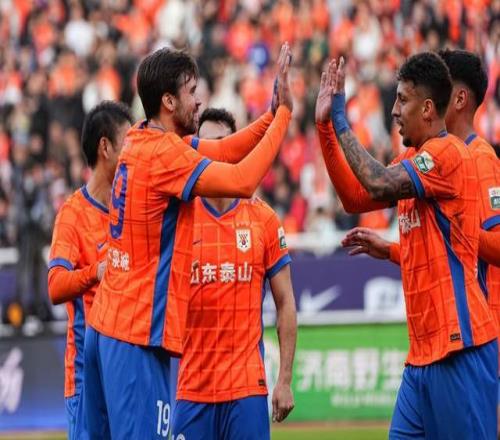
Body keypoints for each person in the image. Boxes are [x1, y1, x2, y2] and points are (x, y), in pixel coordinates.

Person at [84, 44, 293, 439]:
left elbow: (225, 150)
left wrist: (270, 113)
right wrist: (285, 116)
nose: (198, 101)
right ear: (168, 101)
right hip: (135, 335)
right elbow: (242, 180)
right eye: (191, 91)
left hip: (108, 324)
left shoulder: (140, 138)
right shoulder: (165, 154)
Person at [315, 52, 498, 439]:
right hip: (421, 356)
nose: (394, 110)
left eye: (402, 100)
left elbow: (378, 183)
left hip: (459, 347)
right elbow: (355, 198)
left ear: (428, 108)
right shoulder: (415, 158)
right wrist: (326, 128)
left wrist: (342, 117)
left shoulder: (450, 153)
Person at [171, 108, 297, 440]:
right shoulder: (179, 219)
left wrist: (284, 379)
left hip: (246, 389)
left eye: (225, 143)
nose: (217, 153)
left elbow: (286, 302)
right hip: (192, 389)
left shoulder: (263, 219)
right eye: (209, 145)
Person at [47, 101, 133, 440]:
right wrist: (94, 272)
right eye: (127, 143)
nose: (133, 155)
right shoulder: (73, 214)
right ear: (105, 147)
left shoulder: (132, 211)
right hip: (86, 377)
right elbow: (55, 286)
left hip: (127, 373)